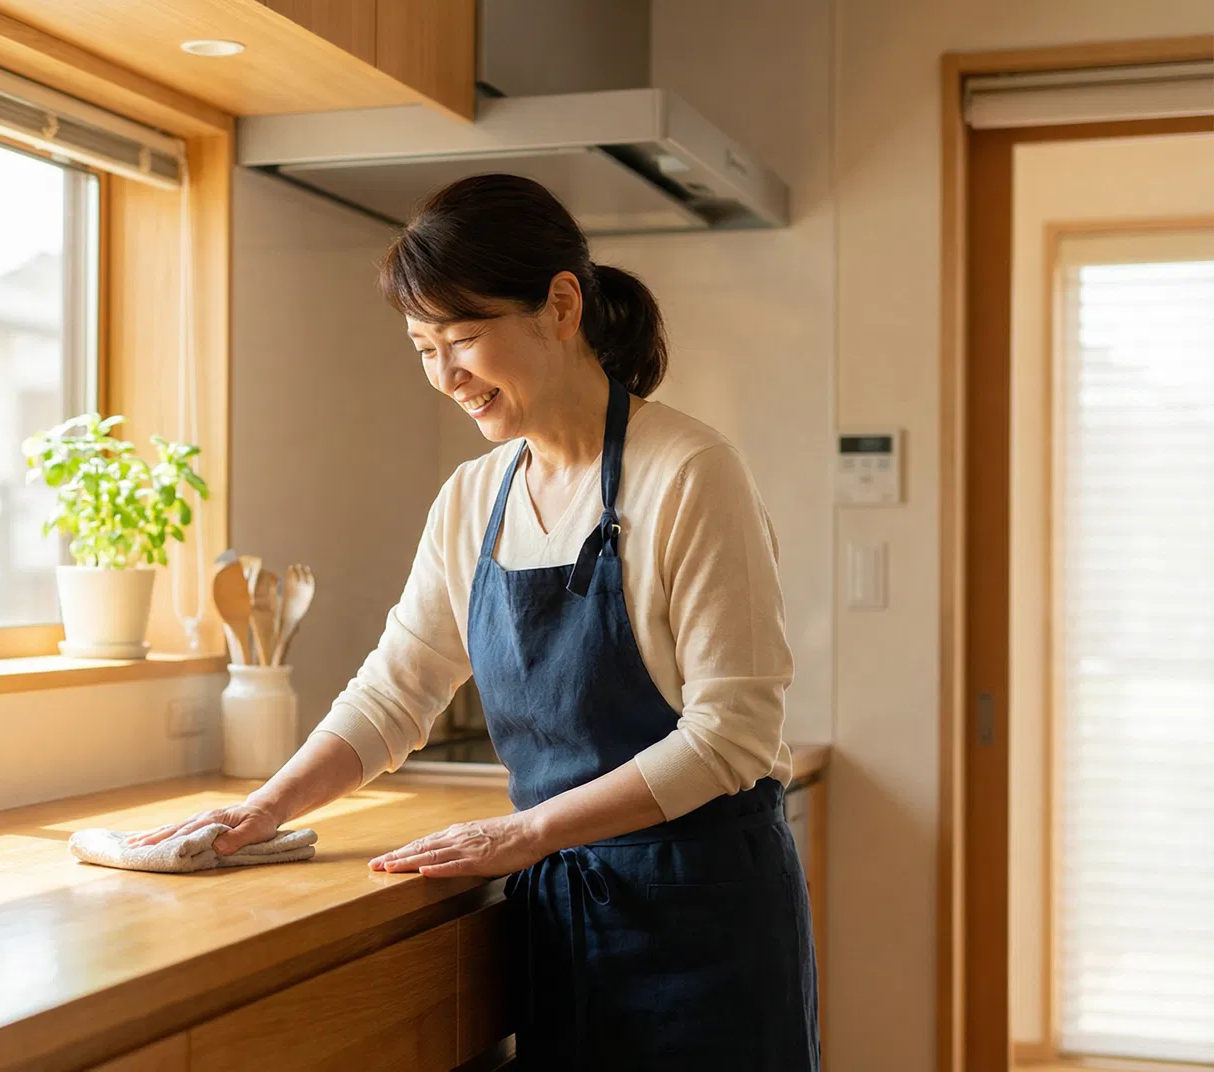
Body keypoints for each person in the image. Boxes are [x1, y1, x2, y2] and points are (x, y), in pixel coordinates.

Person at [125, 173, 816, 1068]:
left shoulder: (690, 474)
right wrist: (262, 811)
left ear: (560, 307)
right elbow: (395, 691)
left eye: (464, 337)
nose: (445, 375)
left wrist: (522, 833)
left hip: (703, 918)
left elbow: (733, 736)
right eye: (422, 346)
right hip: (560, 921)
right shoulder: (473, 498)